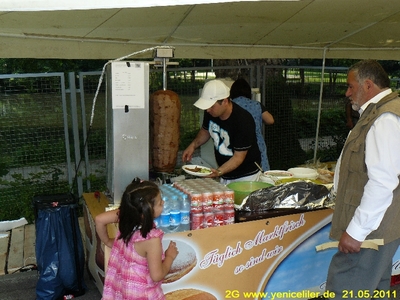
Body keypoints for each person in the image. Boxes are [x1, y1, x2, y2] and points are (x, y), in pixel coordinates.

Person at [326, 60, 400, 299]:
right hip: (382, 226)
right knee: (376, 288)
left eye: (350, 86)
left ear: (368, 85)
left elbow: (382, 182)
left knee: (344, 288)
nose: (347, 93)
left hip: (371, 229)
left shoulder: (384, 118)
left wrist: (356, 232)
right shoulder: (384, 112)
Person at [96, 178, 179, 300]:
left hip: (121, 286)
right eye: (160, 203)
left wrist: (108, 241)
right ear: (146, 212)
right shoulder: (150, 240)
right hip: (141, 294)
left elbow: (99, 220)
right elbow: (157, 275)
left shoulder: (125, 215)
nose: (163, 203)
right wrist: (169, 257)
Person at [182, 79, 262, 184]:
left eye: (211, 106)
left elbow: (238, 157)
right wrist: (193, 145)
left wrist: (219, 172)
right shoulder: (211, 112)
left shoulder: (243, 120)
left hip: (246, 177)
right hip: (225, 174)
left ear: (224, 101)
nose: (207, 110)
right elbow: (206, 131)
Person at [230, 78, 274, 171]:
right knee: (261, 171)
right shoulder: (256, 105)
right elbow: (270, 120)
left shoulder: (230, 106)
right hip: (256, 143)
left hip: (235, 144)